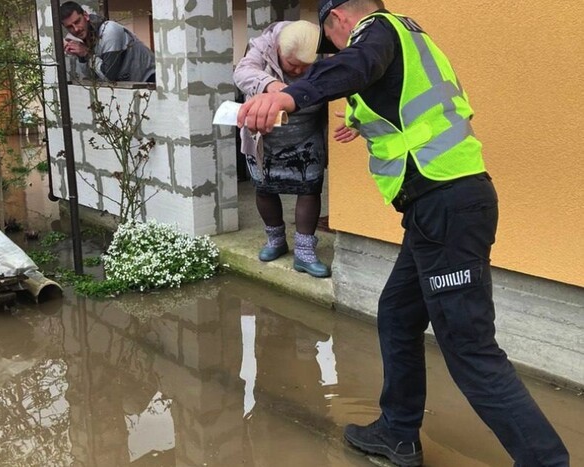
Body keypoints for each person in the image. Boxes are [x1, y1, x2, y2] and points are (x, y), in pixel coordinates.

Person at [237, 1, 570, 466]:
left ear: (337, 19)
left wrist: (288, 96)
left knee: (469, 349)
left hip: (446, 204)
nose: (335, 47)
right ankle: (398, 433)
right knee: (397, 314)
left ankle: (544, 461)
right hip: (437, 207)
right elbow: (391, 90)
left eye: (331, 38)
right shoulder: (411, 37)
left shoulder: (375, 30)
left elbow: (357, 63)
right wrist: (359, 117)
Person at [233, 20, 332, 278]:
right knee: (264, 188)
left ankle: (304, 252)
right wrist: (274, 87)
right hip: (264, 137)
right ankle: (276, 240)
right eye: (292, 65)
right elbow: (242, 73)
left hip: (307, 135)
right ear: (278, 49)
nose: (299, 71)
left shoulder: (324, 46)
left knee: (309, 188)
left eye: (305, 66)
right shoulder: (262, 46)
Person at [59, 1, 156, 83]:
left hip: (151, 81)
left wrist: (87, 53)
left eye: (77, 22)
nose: (76, 29)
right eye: (70, 27)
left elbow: (109, 77)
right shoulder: (85, 38)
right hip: (131, 89)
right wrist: (82, 56)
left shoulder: (109, 30)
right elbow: (93, 77)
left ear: (86, 16)